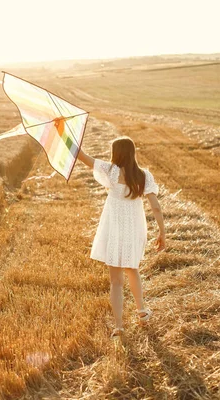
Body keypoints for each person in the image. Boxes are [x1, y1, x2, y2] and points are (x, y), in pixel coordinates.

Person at [77, 137, 166, 337]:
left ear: (116, 153)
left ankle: (119, 326)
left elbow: (80, 155)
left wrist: (63, 133)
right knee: (132, 269)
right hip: (134, 228)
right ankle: (142, 312)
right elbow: (156, 207)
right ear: (133, 153)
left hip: (113, 228)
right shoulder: (144, 176)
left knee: (116, 281)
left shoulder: (111, 171)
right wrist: (162, 232)